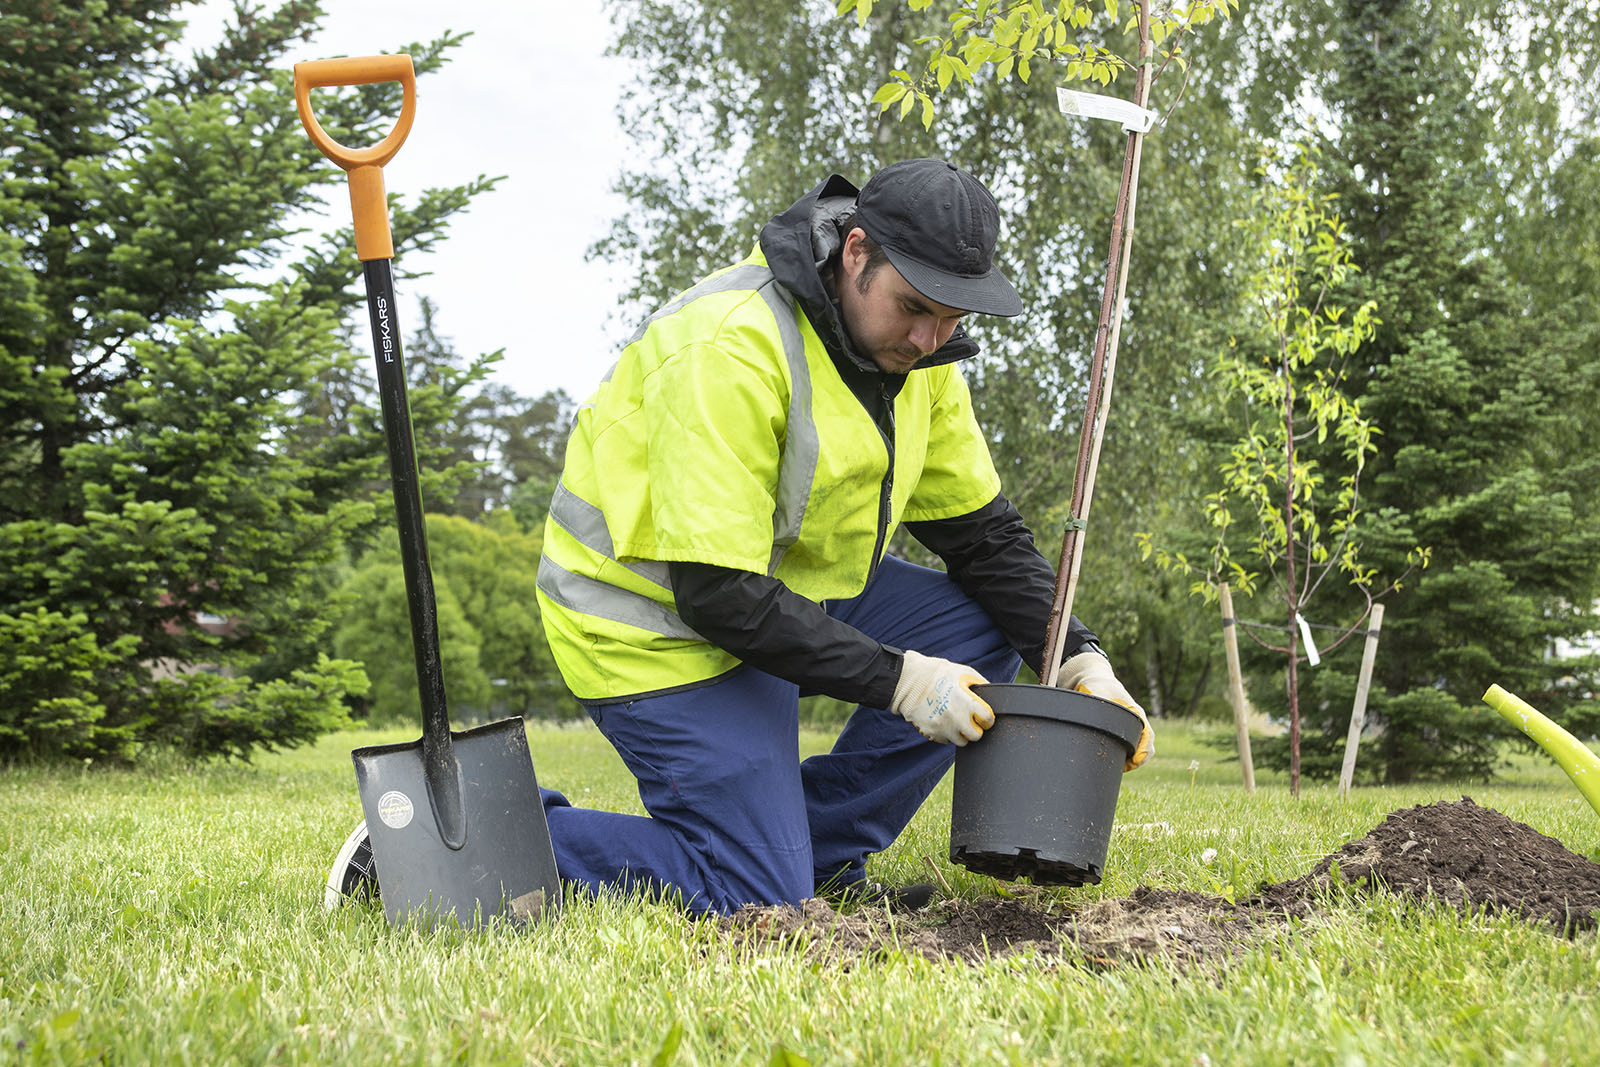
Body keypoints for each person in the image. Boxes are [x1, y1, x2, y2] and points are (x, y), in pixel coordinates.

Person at [324, 158, 1152, 917]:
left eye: (951, 319)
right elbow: (719, 594)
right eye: (915, 310)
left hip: (778, 594)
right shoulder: (733, 346)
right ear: (855, 252)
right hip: (654, 623)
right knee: (752, 894)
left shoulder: (919, 366)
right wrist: (902, 682)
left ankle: (819, 852)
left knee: (982, 623)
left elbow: (986, 540)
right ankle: (427, 846)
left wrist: (1077, 655)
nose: (931, 340)